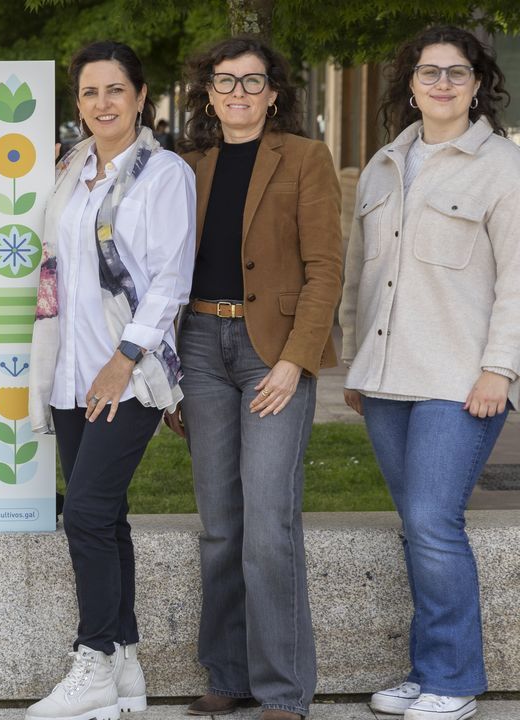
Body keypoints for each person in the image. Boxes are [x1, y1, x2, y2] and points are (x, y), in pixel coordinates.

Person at [340, 26, 519, 720]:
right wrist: (355, 362)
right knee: (417, 528)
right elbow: (364, 276)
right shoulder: (385, 163)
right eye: (429, 72)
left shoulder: (501, 166)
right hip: (387, 380)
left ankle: (454, 679)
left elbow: (516, 282)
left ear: (478, 85)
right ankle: (427, 669)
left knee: (432, 519)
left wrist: (499, 369)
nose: (442, 84)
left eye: (457, 72)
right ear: (409, 85)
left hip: (460, 379)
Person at [168, 36, 343, 720]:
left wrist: (295, 360)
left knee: (269, 522)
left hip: (274, 351)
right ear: (208, 93)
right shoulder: (187, 165)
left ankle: (282, 691)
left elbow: (326, 269)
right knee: (220, 524)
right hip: (202, 347)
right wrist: (171, 371)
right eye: (225, 82)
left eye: (252, 82)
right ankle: (229, 674)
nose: (238, 94)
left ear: (274, 93)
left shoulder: (304, 158)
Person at [25, 40, 195, 720]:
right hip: (70, 372)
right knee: (107, 519)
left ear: (141, 95)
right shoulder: (71, 166)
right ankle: (125, 668)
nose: (103, 103)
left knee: (88, 514)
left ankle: (92, 659)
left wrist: (122, 358)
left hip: (128, 375)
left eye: (115, 90)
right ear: (79, 103)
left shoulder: (163, 174)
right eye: (91, 92)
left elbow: (170, 281)